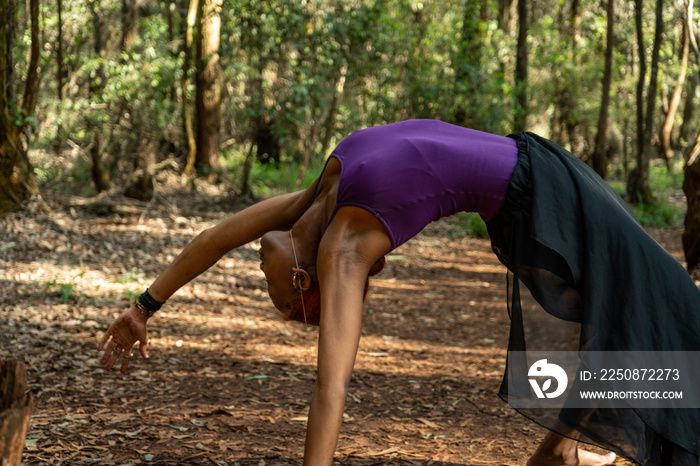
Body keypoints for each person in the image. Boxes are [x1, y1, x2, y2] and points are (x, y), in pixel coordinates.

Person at [98, 119, 700, 466]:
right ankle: (576, 449)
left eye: (273, 293)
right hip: (538, 202)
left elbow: (215, 237)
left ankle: (579, 450)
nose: (265, 275)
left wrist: (144, 306)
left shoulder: (316, 199)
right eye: (278, 295)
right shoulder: (340, 241)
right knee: (653, 318)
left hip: (545, 182)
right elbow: (330, 385)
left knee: (653, 320)